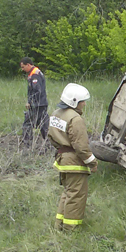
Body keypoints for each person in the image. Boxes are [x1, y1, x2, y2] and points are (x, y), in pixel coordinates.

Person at [48, 83, 98, 231]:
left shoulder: (56, 113)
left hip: (62, 158)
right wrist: (92, 162)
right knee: (76, 196)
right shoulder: (75, 119)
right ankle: (71, 230)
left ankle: (59, 225)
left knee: (67, 193)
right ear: (74, 101)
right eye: (82, 101)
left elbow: (51, 137)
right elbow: (81, 146)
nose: (84, 104)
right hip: (74, 162)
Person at [20, 57, 49, 147]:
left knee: (27, 123)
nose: (22, 69)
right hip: (42, 103)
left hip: (37, 104)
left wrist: (30, 102)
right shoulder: (34, 73)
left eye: (23, 67)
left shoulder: (35, 75)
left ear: (28, 65)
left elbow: (37, 91)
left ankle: (27, 144)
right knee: (44, 125)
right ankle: (50, 143)